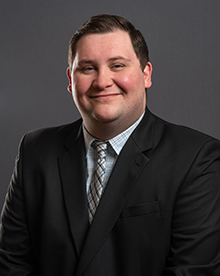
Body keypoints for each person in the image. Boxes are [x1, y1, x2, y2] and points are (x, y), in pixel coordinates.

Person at [0, 14, 220, 276]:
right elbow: (12, 264)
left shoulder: (197, 158)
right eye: (88, 68)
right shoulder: (35, 150)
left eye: (117, 66)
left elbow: (193, 271)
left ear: (145, 74)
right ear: (71, 79)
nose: (102, 81)